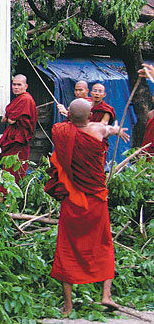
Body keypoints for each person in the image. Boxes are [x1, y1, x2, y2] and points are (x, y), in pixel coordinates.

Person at [44, 98, 129, 315]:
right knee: (103, 243)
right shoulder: (98, 130)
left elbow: (66, 128)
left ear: (70, 116)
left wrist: (69, 117)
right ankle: (106, 295)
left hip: (73, 200)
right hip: (96, 201)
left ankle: (68, 305)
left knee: (67, 247)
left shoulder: (61, 130)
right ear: (91, 115)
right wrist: (118, 130)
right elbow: (110, 128)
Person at [0, 74, 37, 182]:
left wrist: (8, 117)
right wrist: (8, 117)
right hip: (13, 138)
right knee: (9, 168)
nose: (16, 87)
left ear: (26, 86)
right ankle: (6, 194)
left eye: (19, 85)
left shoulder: (26, 99)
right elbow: (8, 117)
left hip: (18, 140)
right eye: (14, 84)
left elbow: (11, 119)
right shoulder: (19, 99)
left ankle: (10, 194)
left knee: (15, 168)